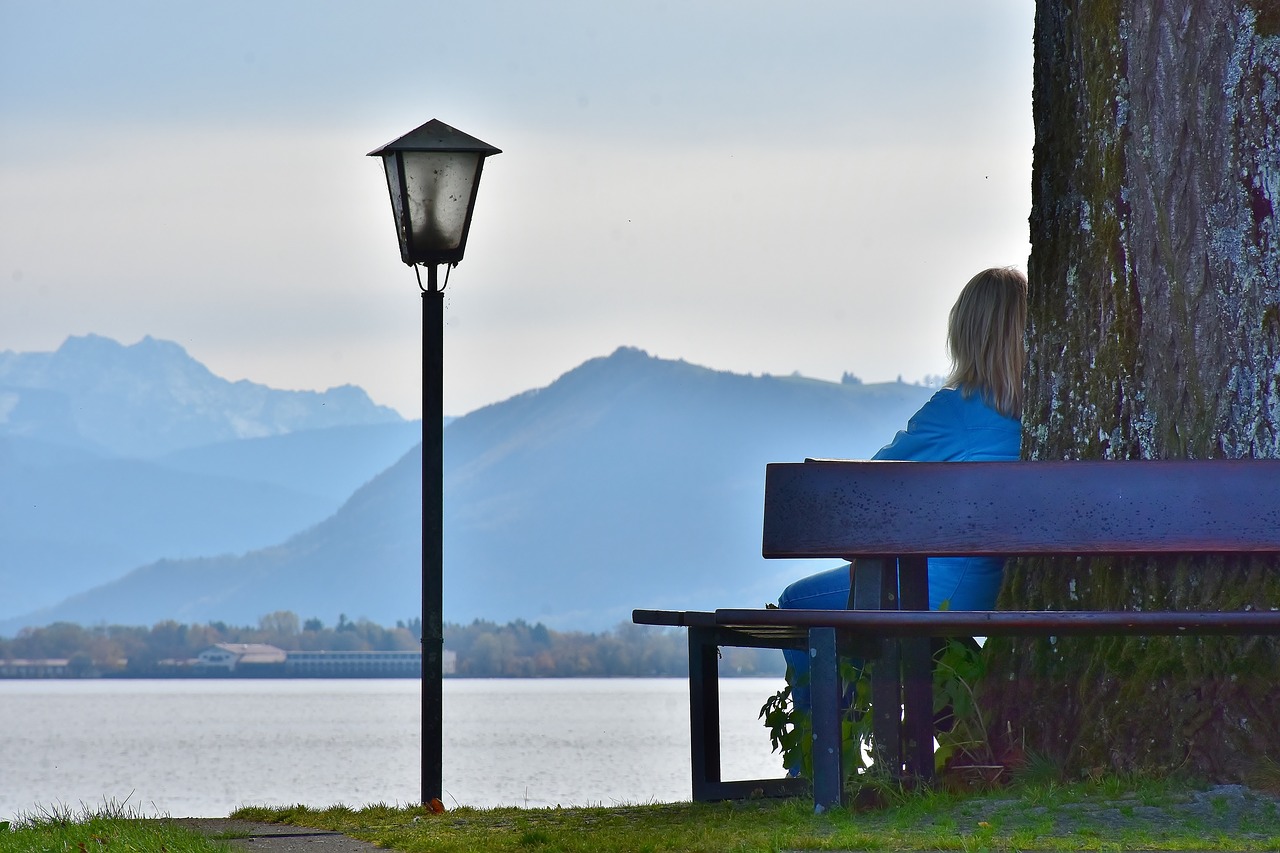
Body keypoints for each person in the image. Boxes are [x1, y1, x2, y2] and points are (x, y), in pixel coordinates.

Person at [777, 266, 1027, 711]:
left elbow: (868, 491)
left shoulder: (957, 411)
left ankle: (823, 767)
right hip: (1003, 589)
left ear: (966, 334)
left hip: (946, 592)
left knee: (797, 604)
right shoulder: (1042, 413)